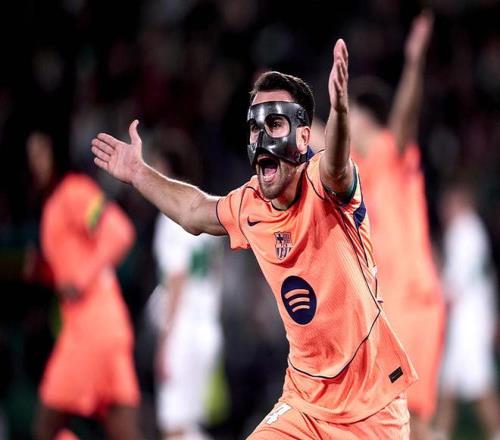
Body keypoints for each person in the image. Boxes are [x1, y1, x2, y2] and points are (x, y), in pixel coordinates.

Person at [91, 39, 417, 439]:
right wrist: (140, 174)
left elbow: (335, 163)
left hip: (371, 403)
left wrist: (340, 113)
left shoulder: (326, 186)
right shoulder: (250, 205)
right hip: (306, 401)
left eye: (275, 124)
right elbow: (193, 211)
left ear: (303, 137)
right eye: (255, 127)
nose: (262, 137)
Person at [347, 11, 445, 439]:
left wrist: (413, 63)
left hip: (412, 301)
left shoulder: (393, 153)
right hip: (387, 310)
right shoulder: (359, 172)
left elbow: (406, 115)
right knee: (397, 423)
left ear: (365, 118)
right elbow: (317, 135)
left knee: (405, 420)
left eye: (348, 114)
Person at [34, 158, 141, 439]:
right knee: (125, 432)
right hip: (110, 326)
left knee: (46, 428)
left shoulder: (73, 191)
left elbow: (119, 231)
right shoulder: (55, 203)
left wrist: (81, 279)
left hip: (90, 329)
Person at [147, 134, 224, 440]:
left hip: (183, 331)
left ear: (165, 168)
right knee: (189, 427)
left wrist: (166, 340)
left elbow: (177, 278)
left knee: (174, 429)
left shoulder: (171, 217)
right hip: (208, 329)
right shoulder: (204, 211)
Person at [435, 183, 500, 440]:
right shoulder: (474, 229)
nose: (443, 209)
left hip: (468, 323)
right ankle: (440, 433)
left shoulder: (463, 231)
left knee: (477, 385)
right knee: (450, 383)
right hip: (473, 319)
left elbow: (453, 286)